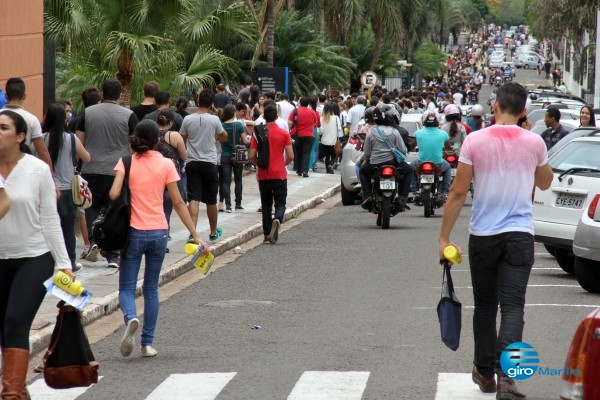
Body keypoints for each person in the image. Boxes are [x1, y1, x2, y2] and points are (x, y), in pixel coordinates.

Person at [438, 82, 553, 399]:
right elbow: (545, 183)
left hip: (484, 236)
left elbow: (458, 192)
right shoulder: (534, 142)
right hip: (519, 235)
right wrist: (531, 143)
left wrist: (444, 237)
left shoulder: (474, 140)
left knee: (486, 307)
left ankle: (485, 372)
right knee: (514, 308)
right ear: (523, 111)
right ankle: (506, 379)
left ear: (495, 106)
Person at [109, 119, 207, 358]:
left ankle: (131, 317)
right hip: (159, 232)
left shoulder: (126, 161)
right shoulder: (166, 164)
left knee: (127, 287)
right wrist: (196, 235)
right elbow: (178, 202)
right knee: (152, 288)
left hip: (132, 232)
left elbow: (113, 194)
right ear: (157, 141)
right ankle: (147, 344)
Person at [0, 110, 73, 399]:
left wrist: (64, 262)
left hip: (34, 257)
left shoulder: (37, 169)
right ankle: (19, 389)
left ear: (20, 136)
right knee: (4, 328)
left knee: (16, 321)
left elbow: (50, 219)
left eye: (3, 128)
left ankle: (11, 395)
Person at [76, 79, 139, 268]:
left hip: (91, 169)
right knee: (114, 211)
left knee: (91, 207)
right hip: (117, 171)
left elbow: (79, 141)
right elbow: (133, 145)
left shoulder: (87, 113)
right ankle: (112, 254)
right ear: (120, 95)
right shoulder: (129, 115)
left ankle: (94, 241)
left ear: (102, 94)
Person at [43, 103, 91, 273]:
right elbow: (86, 157)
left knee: (46, 229)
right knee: (68, 229)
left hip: (46, 190)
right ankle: (70, 262)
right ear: (64, 119)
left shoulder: (41, 138)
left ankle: (47, 263)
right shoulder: (71, 138)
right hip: (68, 191)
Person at [179, 89, 228, 243]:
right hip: (210, 162)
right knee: (211, 199)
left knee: (194, 198)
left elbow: (182, 138)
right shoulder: (214, 120)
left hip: (192, 162)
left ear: (198, 101)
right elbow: (224, 136)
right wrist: (216, 136)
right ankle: (213, 232)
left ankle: (193, 234)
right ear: (211, 103)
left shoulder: (187, 119)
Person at [249, 103, 294, 244]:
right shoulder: (284, 133)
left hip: (264, 174)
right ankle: (278, 218)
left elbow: (251, 155)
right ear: (277, 116)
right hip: (280, 173)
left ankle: (267, 234)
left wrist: (258, 164)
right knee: (281, 202)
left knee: (266, 204)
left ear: (263, 116)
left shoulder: (258, 133)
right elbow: (291, 156)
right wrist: (283, 164)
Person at [359, 104, 413, 212]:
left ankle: (367, 196)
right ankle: (402, 198)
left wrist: (367, 159)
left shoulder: (371, 132)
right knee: (410, 171)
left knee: (362, 172)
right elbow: (403, 150)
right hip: (393, 163)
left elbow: (367, 152)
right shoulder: (395, 132)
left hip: (374, 164)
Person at [2, 77, 53, 170]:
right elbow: (42, 151)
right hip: (23, 169)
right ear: (24, 96)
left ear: (6, 95)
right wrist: (52, 178)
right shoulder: (32, 119)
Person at [155, 109, 187, 245]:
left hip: (154, 174)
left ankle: (156, 233)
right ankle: (165, 234)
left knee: (155, 206)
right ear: (171, 122)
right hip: (170, 176)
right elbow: (184, 156)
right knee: (167, 208)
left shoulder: (151, 134)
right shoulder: (174, 136)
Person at [410, 110, 452, 196]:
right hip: (438, 164)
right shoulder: (443, 133)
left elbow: (412, 147)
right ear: (437, 122)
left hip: (420, 163)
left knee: (410, 167)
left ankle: (414, 189)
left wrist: (413, 148)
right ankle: (445, 191)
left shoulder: (417, 133)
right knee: (447, 167)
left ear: (424, 121)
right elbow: (448, 147)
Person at [220, 104, 249, 212]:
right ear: (233, 113)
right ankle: (238, 204)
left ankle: (228, 205)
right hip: (238, 155)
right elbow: (245, 141)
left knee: (226, 181)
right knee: (238, 180)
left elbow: (218, 140)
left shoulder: (221, 125)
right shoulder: (239, 125)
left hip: (225, 155)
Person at [289, 97, 318, 177]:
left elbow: (290, 122)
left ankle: (298, 170)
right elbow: (314, 123)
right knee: (307, 153)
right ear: (308, 104)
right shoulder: (312, 112)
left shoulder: (295, 111)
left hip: (298, 135)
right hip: (309, 135)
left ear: (300, 103)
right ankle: (305, 171)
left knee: (298, 152)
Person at [319, 103, 342, 174]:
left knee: (327, 156)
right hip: (333, 140)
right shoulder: (336, 118)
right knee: (334, 155)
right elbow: (339, 128)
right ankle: (330, 165)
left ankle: (327, 170)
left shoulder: (321, 119)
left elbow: (321, 131)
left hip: (324, 141)